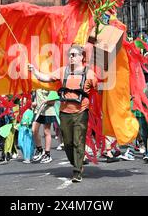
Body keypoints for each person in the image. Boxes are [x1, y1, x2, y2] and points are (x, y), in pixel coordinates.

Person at [28, 45, 98, 183]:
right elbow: (46, 78)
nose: (70, 57)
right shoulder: (62, 71)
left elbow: (100, 90)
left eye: (73, 55)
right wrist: (34, 71)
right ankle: (77, 162)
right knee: (68, 143)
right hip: (64, 112)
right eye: (69, 55)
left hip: (81, 112)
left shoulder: (89, 74)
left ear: (81, 57)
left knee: (78, 141)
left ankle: (77, 171)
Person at [31, 89, 58, 164]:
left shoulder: (50, 85)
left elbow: (53, 102)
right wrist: (34, 102)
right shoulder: (37, 84)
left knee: (46, 132)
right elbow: (36, 97)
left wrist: (46, 101)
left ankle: (47, 154)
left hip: (48, 111)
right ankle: (39, 149)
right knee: (34, 130)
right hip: (38, 111)